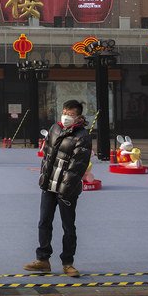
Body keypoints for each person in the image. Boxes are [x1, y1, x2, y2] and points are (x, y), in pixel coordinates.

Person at [23, 99, 91, 278]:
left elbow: (78, 166)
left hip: (67, 190)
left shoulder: (82, 136)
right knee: (44, 222)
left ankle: (68, 263)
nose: (66, 116)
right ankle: (42, 260)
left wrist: (64, 188)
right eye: (65, 112)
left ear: (78, 116)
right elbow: (47, 155)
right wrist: (44, 178)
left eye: (70, 114)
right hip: (49, 185)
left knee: (68, 226)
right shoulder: (55, 128)